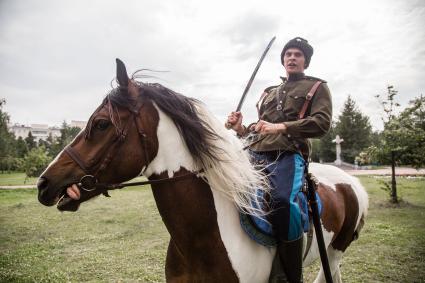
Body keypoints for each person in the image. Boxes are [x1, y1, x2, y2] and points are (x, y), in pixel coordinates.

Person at [227, 37, 332, 283]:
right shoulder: (268, 93)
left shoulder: (316, 87)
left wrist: (281, 126)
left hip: (289, 154)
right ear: (283, 60)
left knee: (282, 201)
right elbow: (259, 130)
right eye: (288, 54)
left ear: (305, 60)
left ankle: (290, 274)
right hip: (254, 154)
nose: (292, 58)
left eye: (297, 54)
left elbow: (322, 124)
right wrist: (241, 127)